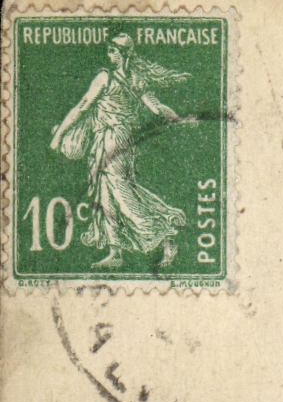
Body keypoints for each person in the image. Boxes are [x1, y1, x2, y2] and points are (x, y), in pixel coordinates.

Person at [49, 33, 192, 270]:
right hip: (118, 140)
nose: (109, 55)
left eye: (113, 51)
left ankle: (165, 232)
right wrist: (176, 117)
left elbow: (83, 106)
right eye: (109, 51)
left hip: (115, 139)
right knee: (107, 193)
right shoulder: (136, 79)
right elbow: (156, 107)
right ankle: (115, 252)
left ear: (123, 54)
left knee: (122, 193)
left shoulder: (105, 78)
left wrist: (58, 135)